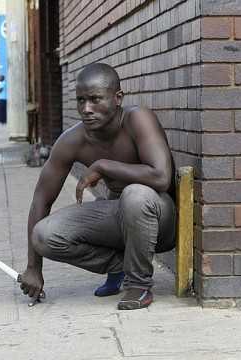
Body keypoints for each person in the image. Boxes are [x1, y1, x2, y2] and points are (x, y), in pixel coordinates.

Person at [20, 63, 177, 310]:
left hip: (159, 218)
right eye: (81, 100)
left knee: (134, 194)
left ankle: (139, 285)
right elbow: (41, 199)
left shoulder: (138, 119)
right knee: (43, 234)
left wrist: (104, 166)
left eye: (95, 99)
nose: (86, 109)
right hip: (117, 214)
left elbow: (161, 177)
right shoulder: (72, 140)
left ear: (117, 98)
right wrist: (33, 268)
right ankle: (120, 267)